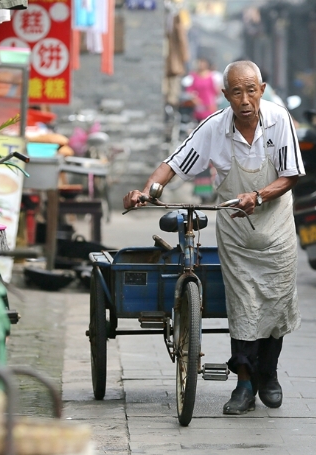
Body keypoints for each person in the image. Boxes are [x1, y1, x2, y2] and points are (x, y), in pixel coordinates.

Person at [123, 60, 304, 415]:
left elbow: (291, 175)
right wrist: (148, 190)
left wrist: (259, 196)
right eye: (236, 91)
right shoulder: (214, 128)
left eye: (251, 89)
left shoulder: (279, 120)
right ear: (226, 96)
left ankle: (268, 374)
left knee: (276, 303)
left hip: (277, 232)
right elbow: (173, 164)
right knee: (243, 306)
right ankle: (244, 383)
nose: (245, 98)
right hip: (236, 233)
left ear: (262, 90)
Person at [186, 57, 220, 123]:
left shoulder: (213, 76)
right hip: (198, 104)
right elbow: (189, 90)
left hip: (210, 105)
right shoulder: (193, 76)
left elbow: (216, 91)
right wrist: (194, 99)